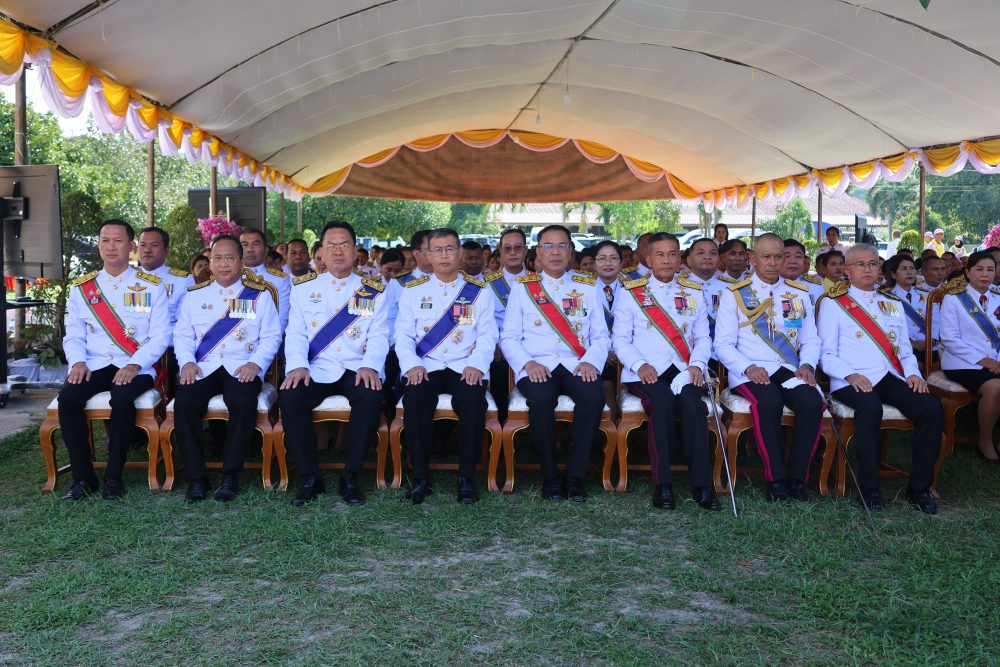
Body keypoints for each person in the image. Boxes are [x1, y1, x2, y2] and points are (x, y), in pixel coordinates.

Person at [819, 244, 941, 514]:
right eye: (860, 264)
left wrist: (913, 374)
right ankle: (869, 488)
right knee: (870, 407)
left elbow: (905, 350)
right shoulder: (833, 303)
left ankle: (919, 488)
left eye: (873, 264)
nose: (868, 269)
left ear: (880, 269)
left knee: (930, 407)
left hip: (890, 376)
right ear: (847, 270)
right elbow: (825, 354)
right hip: (850, 379)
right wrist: (850, 374)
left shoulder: (892, 303)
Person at [58, 219, 170, 501]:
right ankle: (83, 478)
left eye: (118, 241)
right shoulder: (83, 288)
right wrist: (77, 362)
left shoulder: (151, 286)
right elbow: (73, 334)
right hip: (94, 363)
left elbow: (160, 337)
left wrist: (134, 365)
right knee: (68, 398)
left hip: (136, 365)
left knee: (121, 398)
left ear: (131, 246)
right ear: (98, 245)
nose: (111, 247)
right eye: (105, 240)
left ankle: (113, 477)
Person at [280, 221, 390, 505]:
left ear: (355, 251)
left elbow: (380, 334)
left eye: (344, 245)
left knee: (370, 395)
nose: (338, 251)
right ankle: (310, 478)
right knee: (290, 396)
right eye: (331, 245)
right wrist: (297, 366)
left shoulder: (375, 290)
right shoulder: (303, 289)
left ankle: (350, 477)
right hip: (317, 367)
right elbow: (296, 333)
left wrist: (371, 366)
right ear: (321, 252)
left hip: (356, 366)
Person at [500, 225, 609, 501]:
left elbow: (600, 336)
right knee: (541, 399)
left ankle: (575, 476)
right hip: (538, 365)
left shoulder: (587, 286)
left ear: (571, 251)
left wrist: (590, 362)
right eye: (548, 246)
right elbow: (509, 337)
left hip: (576, 363)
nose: (556, 252)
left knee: (594, 396)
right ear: (538, 252)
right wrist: (527, 364)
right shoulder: (523, 288)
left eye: (562, 245)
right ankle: (550, 476)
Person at [612, 233, 719, 511]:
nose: (667, 260)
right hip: (646, 370)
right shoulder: (630, 292)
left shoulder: (693, 291)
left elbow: (703, 338)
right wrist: (639, 365)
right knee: (662, 402)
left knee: (693, 404)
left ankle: (702, 485)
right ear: (648, 259)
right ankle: (663, 484)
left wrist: (696, 365)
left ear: (680, 258)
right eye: (660, 254)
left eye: (672, 254)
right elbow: (620, 339)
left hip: (684, 368)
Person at [172, 235, 281, 502]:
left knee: (242, 400)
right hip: (204, 366)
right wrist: (187, 362)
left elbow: (271, 337)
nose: (223, 264)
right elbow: (182, 336)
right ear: (210, 262)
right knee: (185, 400)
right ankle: (196, 479)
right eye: (217, 258)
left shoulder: (260, 296)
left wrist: (256, 364)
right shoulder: (194, 296)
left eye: (230, 258)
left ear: (241, 263)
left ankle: (230, 475)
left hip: (242, 366)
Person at [715, 233, 823, 502]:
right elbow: (723, 344)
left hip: (788, 369)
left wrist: (807, 364)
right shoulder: (735, 294)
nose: (773, 262)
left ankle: (798, 479)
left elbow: (810, 339)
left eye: (778, 256)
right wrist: (747, 367)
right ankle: (775, 480)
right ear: (753, 258)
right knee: (769, 402)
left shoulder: (798, 293)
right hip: (749, 370)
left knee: (812, 401)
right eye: (766, 257)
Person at [395, 228, 498, 504]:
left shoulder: (479, 291)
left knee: (473, 400)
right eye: (437, 250)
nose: (444, 255)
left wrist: (477, 365)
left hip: (464, 365)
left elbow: (488, 335)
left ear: (460, 253)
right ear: (428, 255)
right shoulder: (413, 291)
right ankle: (420, 478)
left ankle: (466, 478)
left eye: (450, 249)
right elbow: (402, 336)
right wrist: (412, 365)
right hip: (426, 365)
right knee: (415, 398)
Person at [939, 251, 1000, 463]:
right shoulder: (953, 299)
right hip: (963, 363)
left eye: (990, 270)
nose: (985, 274)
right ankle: (985, 441)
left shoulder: (997, 298)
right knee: (995, 388)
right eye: (979, 269)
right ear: (967, 272)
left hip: (996, 361)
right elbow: (949, 338)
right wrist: (983, 360)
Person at [136, 227, 194, 327]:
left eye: (154, 245)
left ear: (167, 250)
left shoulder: (183, 280)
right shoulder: (126, 277)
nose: (147, 250)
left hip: (168, 336)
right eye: (142, 245)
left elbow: (183, 324)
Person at [885, 254, 937, 354]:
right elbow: (889, 327)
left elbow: (936, 321)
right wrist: (912, 343)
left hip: (929, 346)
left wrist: (932, 340)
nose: (909, 272)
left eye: (912, 268)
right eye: (904, 269)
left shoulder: (927, 295)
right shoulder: (886, 297)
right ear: (893, 274)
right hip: (901, 347)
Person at [240, 228, 291, 329]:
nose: (250, 249)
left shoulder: (280, 280)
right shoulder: (231, 278)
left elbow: (281, 321)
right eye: (244, 245)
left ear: (266, 250)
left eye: (255, 244)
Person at [683, 239, 727, 344]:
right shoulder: (677, 287)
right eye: (701, 253)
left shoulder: (730, 288)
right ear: (689, 260)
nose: (707, 257)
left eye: (713, 253)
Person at [782, 240, 825, 304]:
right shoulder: (769, 285)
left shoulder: (816, 287)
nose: (793, 261)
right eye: (787, 256)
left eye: (798, 256)